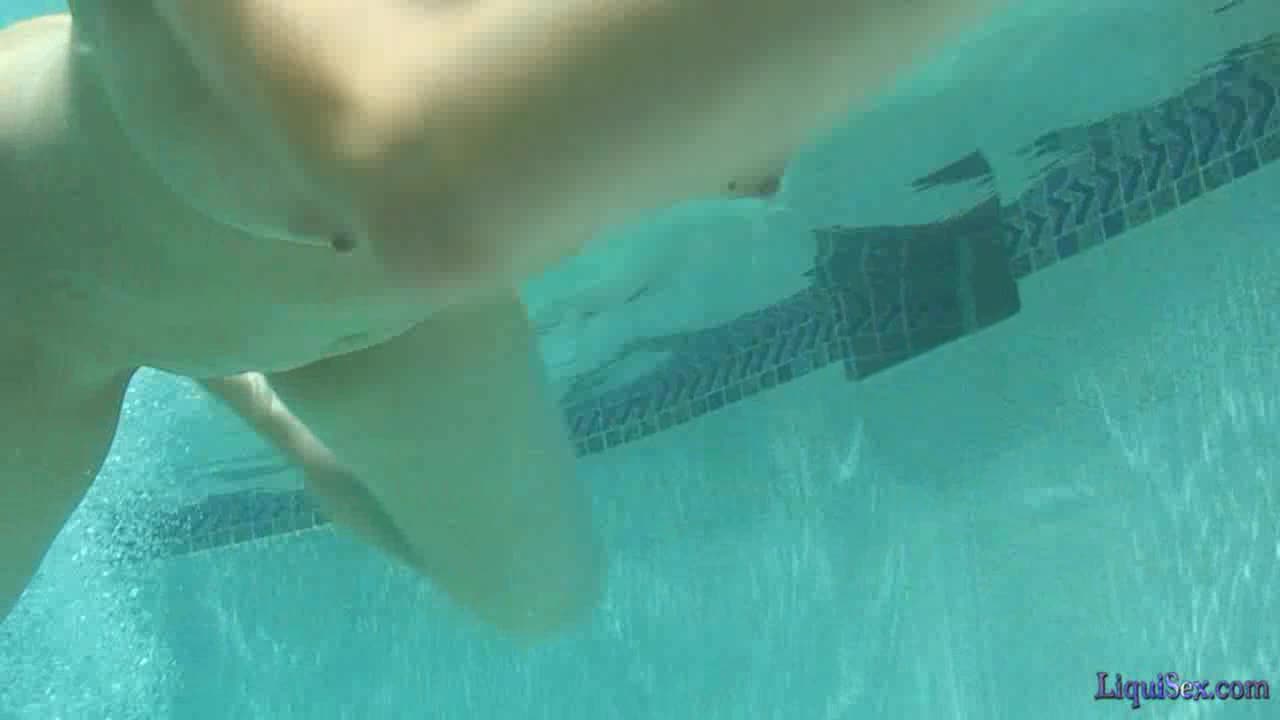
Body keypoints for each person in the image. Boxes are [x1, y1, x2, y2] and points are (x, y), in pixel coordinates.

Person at [0, 0, 1006, 636]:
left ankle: (266, 407)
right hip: (43, 285)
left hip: (376, 311)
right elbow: (411, 159)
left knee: (540, 601)